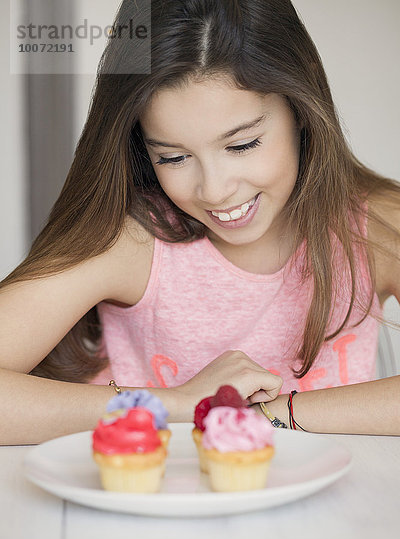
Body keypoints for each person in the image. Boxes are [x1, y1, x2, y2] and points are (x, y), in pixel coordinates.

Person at [1, 0, 399, 445]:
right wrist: (174, 404)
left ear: (301, 113)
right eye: (173, 156)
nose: (214, 190)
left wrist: (269, 415)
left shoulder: (375, 226)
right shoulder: (135, 239)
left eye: (242, 145)